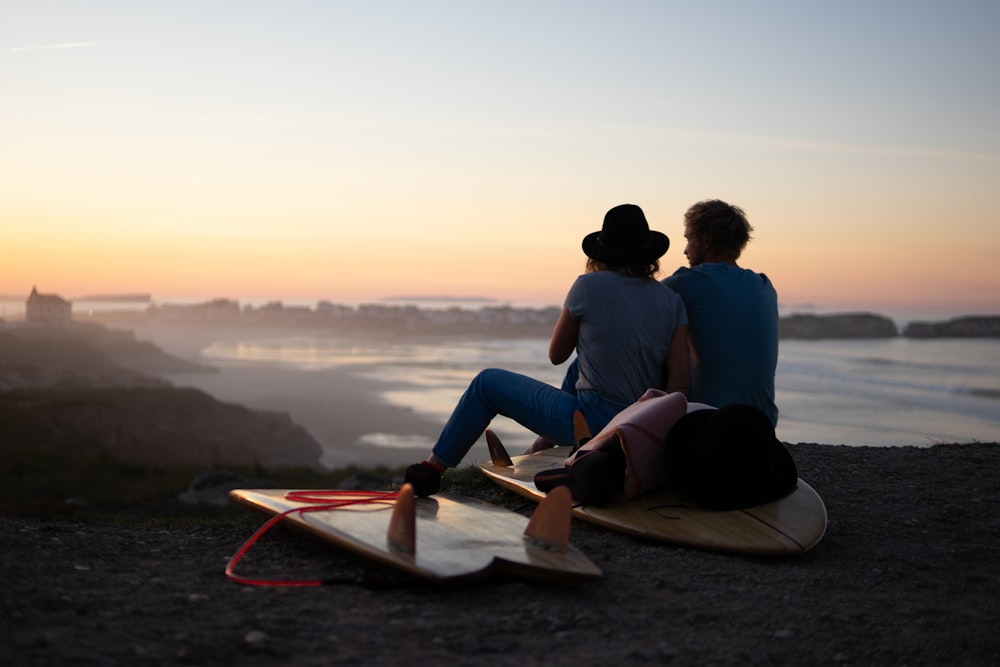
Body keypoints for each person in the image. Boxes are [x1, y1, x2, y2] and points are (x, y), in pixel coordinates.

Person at [404, 203, 690, 496]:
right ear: (649, 255)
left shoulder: (588, 286)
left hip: (593, 424)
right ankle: (540, 447)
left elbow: (556, 354)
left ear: (602, 252)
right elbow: (680, 376)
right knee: (580, 366)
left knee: (486, 384)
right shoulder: (671, 300)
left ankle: (431, 468)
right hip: (639, 425)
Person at [662, 199, 778, 425]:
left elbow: (638, 315)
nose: (685, 250)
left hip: (711, 424)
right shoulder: (764, 286)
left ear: (705, 240)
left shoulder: (683, 284)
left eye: (688, 239)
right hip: (763, 426)